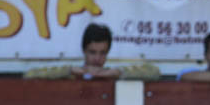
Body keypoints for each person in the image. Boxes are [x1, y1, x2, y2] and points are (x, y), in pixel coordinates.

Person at [24, 23, 160, 80]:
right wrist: (68, 71)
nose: (97, 58)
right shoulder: (70, 73)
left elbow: (154, 72)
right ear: (84, 50)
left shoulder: (112, 73)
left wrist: (118, 72)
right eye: (92, 52)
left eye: (102, 53)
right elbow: (29, 75)